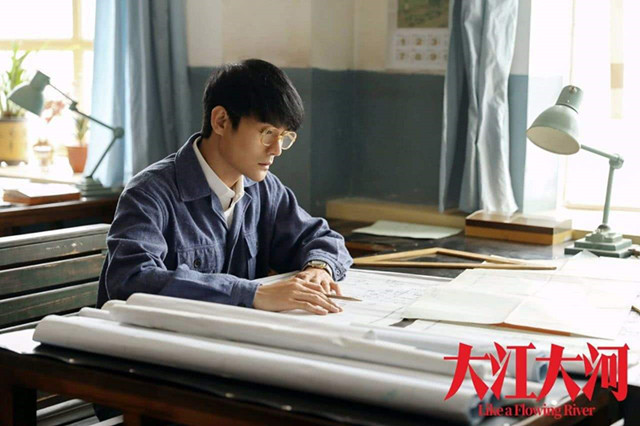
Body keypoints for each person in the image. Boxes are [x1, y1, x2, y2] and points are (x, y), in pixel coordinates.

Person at [97, 59, 353, 315]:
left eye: (284, 137)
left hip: (232, 335)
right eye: (267, 133)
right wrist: (251, 294)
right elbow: (131, 278)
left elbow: (322, 238)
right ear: (221, 121)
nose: (276, 150)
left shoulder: (265, 189)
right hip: (158, 338)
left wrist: (319, 268)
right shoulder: (149, 193)